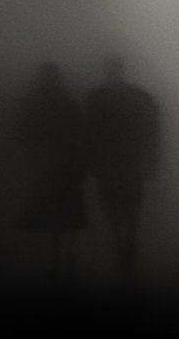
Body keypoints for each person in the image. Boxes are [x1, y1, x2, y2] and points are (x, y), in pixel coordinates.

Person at [87, 56, 160, 283]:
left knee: (113, 211)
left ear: (108, 71)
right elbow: (152, 132)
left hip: (110, 166)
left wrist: (92, 163)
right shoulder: (141, 97)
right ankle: (128, 248)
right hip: (131, 165)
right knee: (131, 210)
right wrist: (150, 161)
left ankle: (122, 247)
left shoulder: (97, 99)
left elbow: (91, 134)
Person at [17, 62, 87, 282]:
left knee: (62, 210)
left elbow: (25, 132)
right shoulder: (64, 101)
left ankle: (63, 255)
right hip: (59, 163)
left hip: (57, 163)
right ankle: (64, 254)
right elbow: (79, 130)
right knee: (65, 209)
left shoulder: (39, 102)